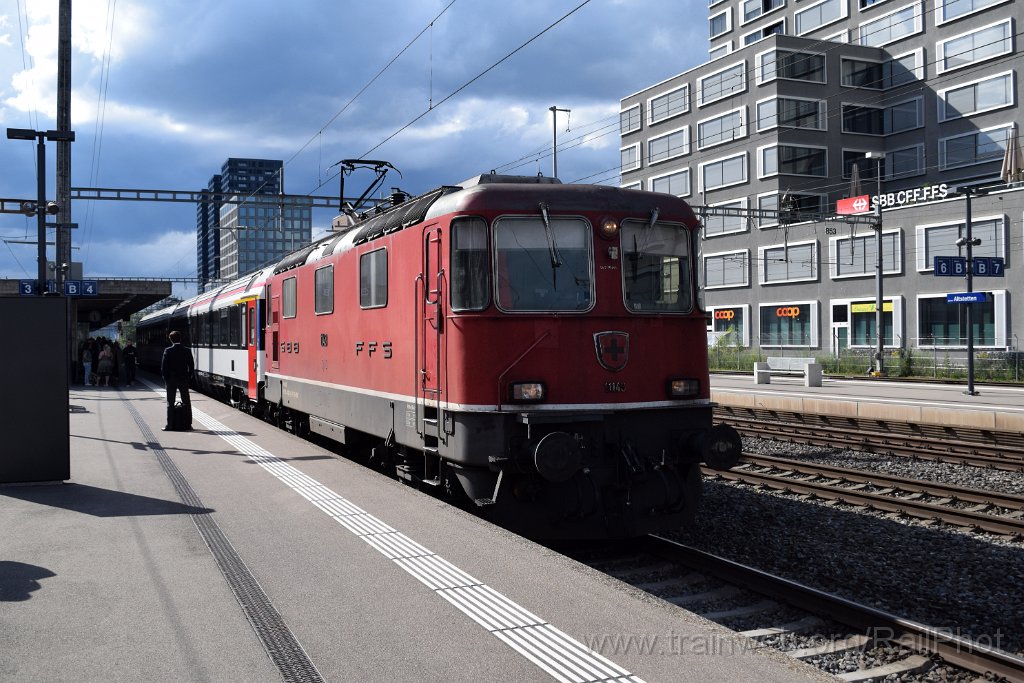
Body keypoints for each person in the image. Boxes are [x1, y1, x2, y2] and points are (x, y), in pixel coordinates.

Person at [161, 330, 195, 431]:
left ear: (171, 340)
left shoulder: (168, 351)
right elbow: (191, 366)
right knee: (186, 402)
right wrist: (188, 377)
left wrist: (166, 379)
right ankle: (188, 424)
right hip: (183, 379)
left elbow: (163, 367)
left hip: (171, 380)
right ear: (180, 338)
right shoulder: (187, 350)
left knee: (170, 402)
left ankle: (170, 425)